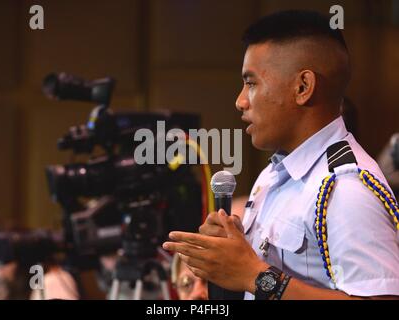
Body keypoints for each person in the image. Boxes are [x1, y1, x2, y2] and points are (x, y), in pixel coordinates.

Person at [163, 10, 399, 300]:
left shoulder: (346, 188)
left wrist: (254, 275)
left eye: (251, 83)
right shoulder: (275, 174)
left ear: (303, 87)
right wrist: (233, 252)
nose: (240, 101)